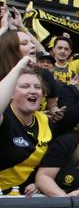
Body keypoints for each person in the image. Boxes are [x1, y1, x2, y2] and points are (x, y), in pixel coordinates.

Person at [0, 57, 52, 195]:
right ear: (10, 93)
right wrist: (18, 67)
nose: (33, 91)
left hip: (23, 201)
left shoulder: (43, 121)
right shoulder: (5, 116)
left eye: (37, 87)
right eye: (25, 86)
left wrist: (38, 182)